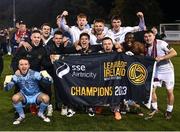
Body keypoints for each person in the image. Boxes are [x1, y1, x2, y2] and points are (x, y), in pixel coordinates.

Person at [4, 58, 52, 125]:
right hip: (24, 95)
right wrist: (7, 84)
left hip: (36, 95)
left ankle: (40, 113)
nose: (23, 66)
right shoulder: (16, 76)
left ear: (29, 65)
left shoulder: (34, 73)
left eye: (25, 64)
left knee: (46, 98)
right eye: (21, 64)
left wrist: (46, 78)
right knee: (15, 98)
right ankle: (21, 116)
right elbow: (6, 89)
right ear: (18, 66)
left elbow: (50, 82)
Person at [144, 30, 177, 119]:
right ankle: (155, 108)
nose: (148, 38)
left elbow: (174, 53)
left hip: (167, 71)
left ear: (154, 36)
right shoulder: (145, 47)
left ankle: (169, 111)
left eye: (149, 36)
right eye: (146, 36)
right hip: (155, 71)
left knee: (169, 92)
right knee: (151, 90)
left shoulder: (162, 43)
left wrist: (162, 58)